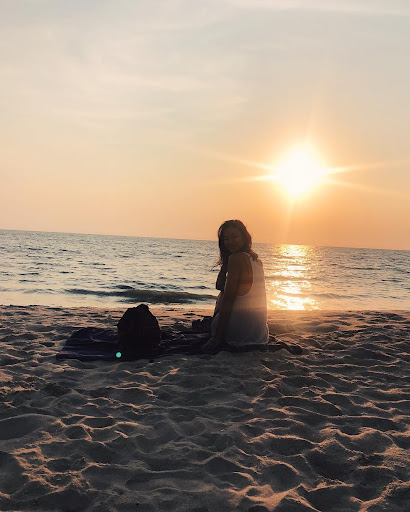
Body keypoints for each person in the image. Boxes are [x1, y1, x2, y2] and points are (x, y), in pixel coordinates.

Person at [202, 220, 269, 352]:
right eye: (226, 239)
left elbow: (228, 299)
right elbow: (219, 285)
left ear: (244, 237)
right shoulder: (256, 260)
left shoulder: (236, 258)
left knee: (223, 297)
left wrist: (217, 337)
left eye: (234, 237)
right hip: (259, 334)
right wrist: (225, 264)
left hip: (239, 333)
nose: (230, 242)